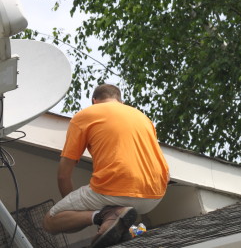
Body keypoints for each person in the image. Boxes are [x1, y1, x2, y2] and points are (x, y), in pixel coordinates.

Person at [43, 84, 169, 247]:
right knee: (122, 214)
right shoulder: (142, 117)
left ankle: (103, 216)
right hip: (155, 195)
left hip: (116, 188)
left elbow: (63, 175)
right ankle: (133, 230)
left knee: (50, 221)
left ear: (94, 101)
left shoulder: (85, 115)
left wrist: (78, 213)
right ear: (120, 101)